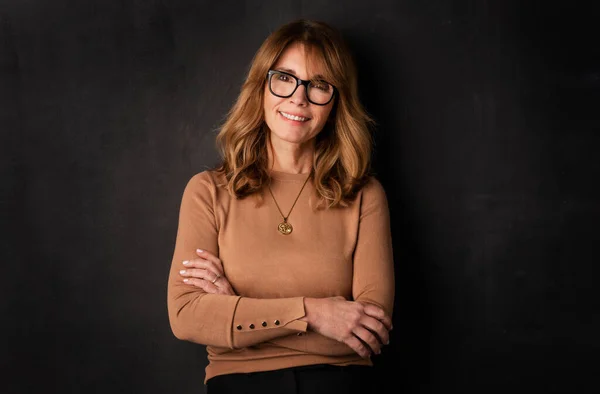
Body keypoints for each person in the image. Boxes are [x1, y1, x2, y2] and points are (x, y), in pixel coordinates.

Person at [167, 18, 395, 393]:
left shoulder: (364, 195)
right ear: (261, 86)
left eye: (319, 85)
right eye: (285, 78)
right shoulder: (208, 191)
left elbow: (368, 332)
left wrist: (236, 312)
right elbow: (188, 317)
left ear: (336, 101)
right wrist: (317, 314)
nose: (299, 98)